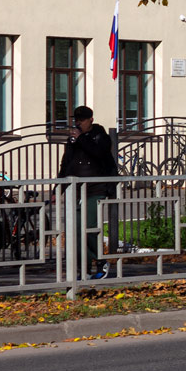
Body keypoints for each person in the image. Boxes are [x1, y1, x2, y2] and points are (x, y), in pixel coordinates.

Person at [57, 106, 118, 279]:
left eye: (81, 120)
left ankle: (99, 260)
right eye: (76, 120)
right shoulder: (73, 140)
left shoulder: (100, 135)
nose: (78, 123)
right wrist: (58, 189)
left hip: (96, 189)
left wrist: (82, 138)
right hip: (76, 190)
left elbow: (99, 152)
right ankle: (81, 268)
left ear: (90, 120)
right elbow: (66, 164)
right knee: (75, 231)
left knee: (90, 227)